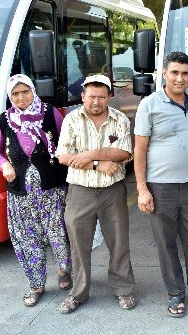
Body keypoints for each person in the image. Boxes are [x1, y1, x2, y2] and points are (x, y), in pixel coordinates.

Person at [134, 52, 188, 318]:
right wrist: (141, 189)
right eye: (174, 73)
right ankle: (175, 294)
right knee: (166, 243)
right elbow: (139, 149)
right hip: (160, 187)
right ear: (164, 74)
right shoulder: (149, 104)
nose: (179, 78)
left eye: (185, 73)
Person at [0, 74, 70, 307]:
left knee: (58, 233)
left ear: (34, 91)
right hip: (21, 193)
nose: (21, 97)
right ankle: (36, 285)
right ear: (10, 97)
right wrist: (5, 165)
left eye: (25, 92)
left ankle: (64, 270)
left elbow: (66, 143)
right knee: (27, 238)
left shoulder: (50, 113)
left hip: (53, 190)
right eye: (15, 93)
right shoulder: (4, 120)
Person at [55, 74, 136, 314]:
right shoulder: (71, 120)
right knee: (79, 245)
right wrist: (97, 164)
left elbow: (123, 152)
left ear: (110, 97)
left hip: (113, 190)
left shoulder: (120, 119)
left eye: (102, 97)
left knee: (119, 242)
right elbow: (63, 157)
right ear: (83, 96)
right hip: (80, 191)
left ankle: (123, 289)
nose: (96, 102)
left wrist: (91, 154)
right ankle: (78, 293)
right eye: (91, 96)